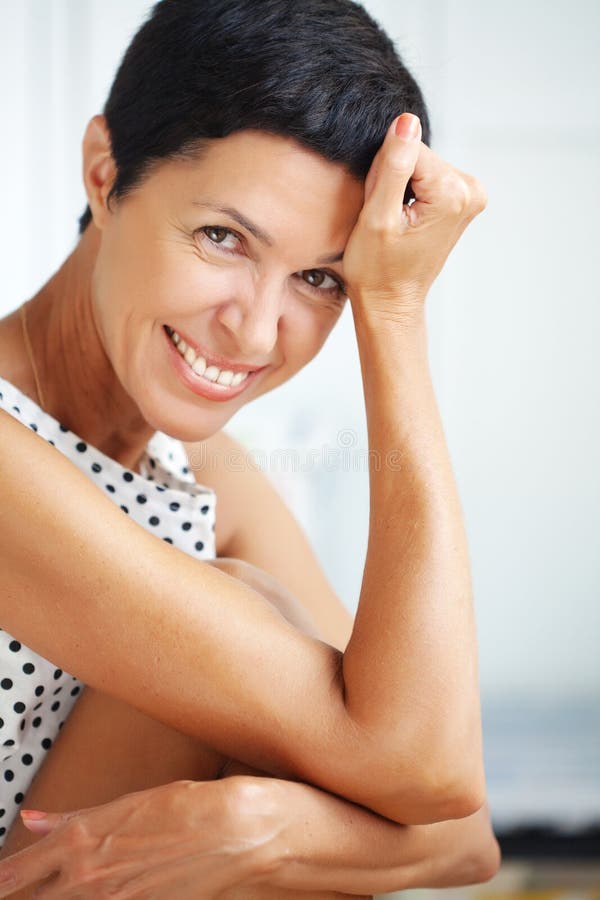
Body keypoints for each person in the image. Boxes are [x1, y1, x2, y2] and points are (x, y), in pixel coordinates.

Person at [0, 0, 499, 895]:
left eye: (321, 277)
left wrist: (253, 826)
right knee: (254, 608)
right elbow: (419, 771)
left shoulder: (210, 487)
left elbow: (460, 830)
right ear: (105, 174)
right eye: (223, 238)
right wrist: (389, 307)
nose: (256, 331)